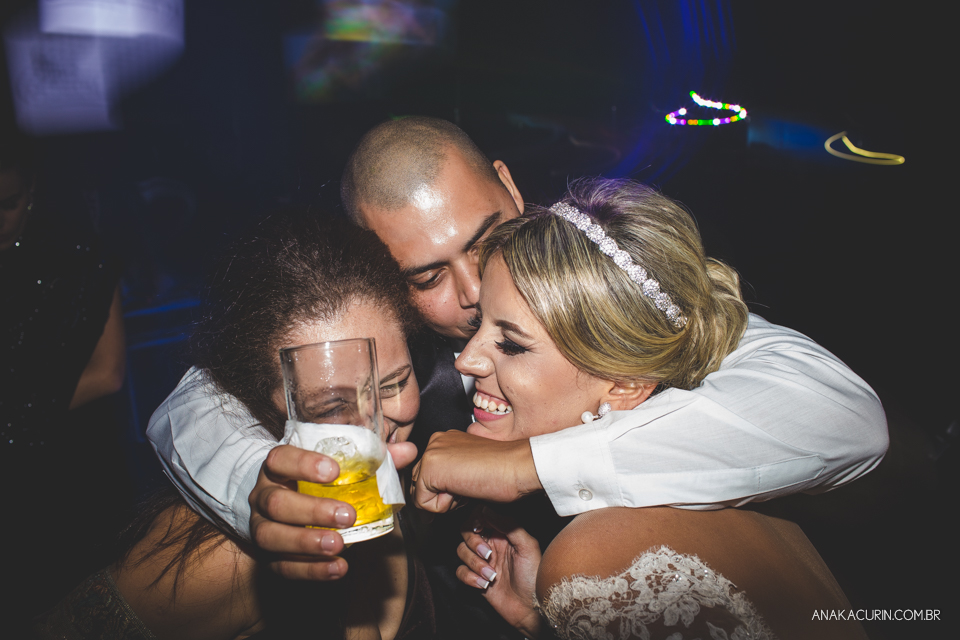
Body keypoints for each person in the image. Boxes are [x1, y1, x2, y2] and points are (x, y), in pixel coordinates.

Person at [147, 117, 887, 581]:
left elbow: (840, 414)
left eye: (485, 238)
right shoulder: (387, 351)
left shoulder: (600, 283)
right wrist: (257, 486)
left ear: (509, 185)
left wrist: (524, 466)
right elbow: (194, 397)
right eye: (427, 275)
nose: (470, 291)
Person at [451, 178, 867, 639]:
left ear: (626, 386)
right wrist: (540, 621)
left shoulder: (594, 554)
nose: (466, 360)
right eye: (477, 324)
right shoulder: (763, 509)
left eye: (511, 344)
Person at [35, 213, 432, 639]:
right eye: (331, 407)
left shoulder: (414, 468)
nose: (368, 431)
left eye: (394, 384)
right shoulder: (224, 557)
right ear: (265, 400)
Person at [1, 131, 127, 630]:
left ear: (31, 192)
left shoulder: (81, 259)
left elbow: (109, 373)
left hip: (68, 465)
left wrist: (15, 418)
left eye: (7, 203)